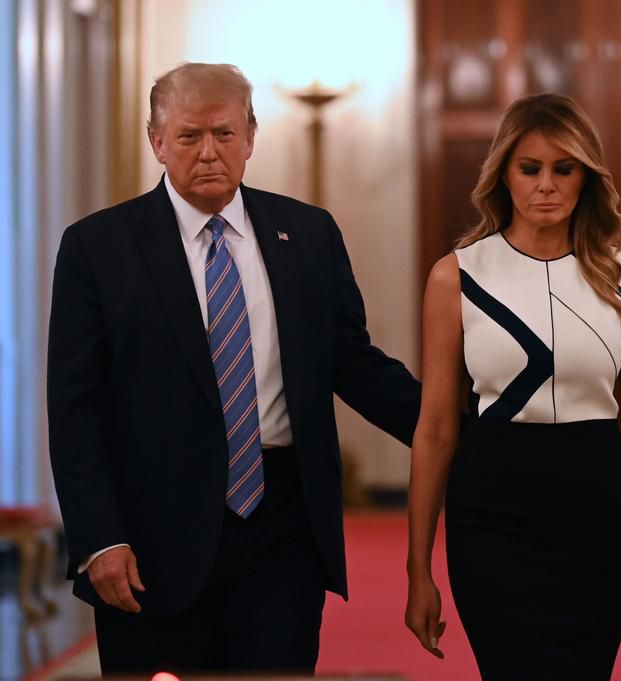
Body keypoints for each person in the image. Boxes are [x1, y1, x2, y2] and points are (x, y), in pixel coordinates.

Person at [47, 62, 420, 675]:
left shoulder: (307, 233)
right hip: (151, 532)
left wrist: (456, 430)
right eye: (189, 136)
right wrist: (98, 538)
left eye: (224, 134)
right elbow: (74, 408)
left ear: (251, 135)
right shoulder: (98, 247)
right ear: (156, 141)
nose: (209, 153)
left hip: (283, 525)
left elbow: (353, 363)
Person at [405, 93, 621, 680]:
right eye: (530, 168)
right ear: (505, 175)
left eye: (563, 168)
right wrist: (417, 569)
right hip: (493, 509)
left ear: (586, 178)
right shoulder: (457, 276)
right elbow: (437, 430)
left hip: (597, 512)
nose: (546, 184)